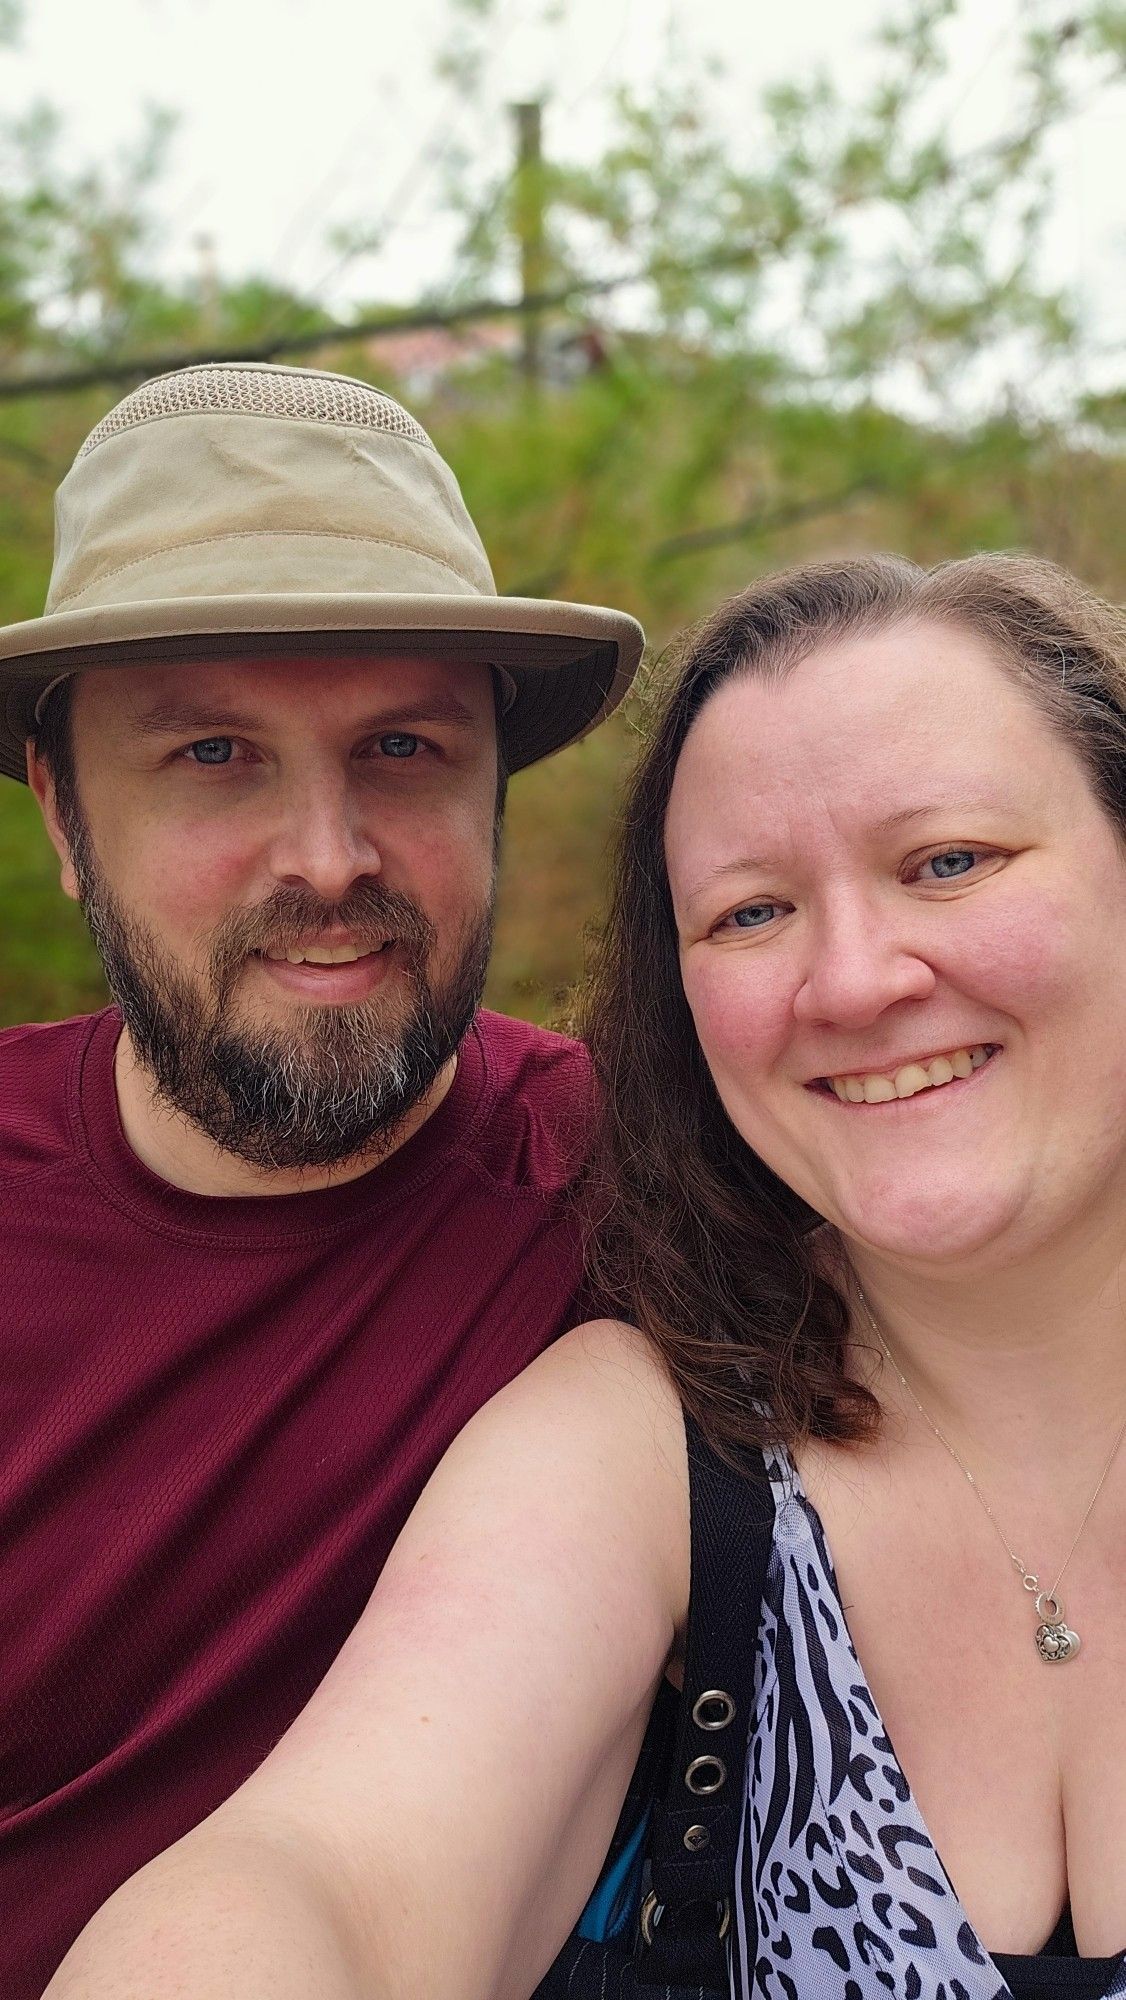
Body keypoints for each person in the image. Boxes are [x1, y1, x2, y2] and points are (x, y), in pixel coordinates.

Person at [41, 550, 1126, 2000]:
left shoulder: (559, 1167)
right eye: (749, 911)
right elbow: (333, 1877)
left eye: (949, 861)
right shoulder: (644, 1434)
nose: (855, 981)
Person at [0, 358, 644, 1998]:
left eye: (404, 749)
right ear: (66, 818)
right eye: (213, 753)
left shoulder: (651, 1192)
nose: (330, 856)